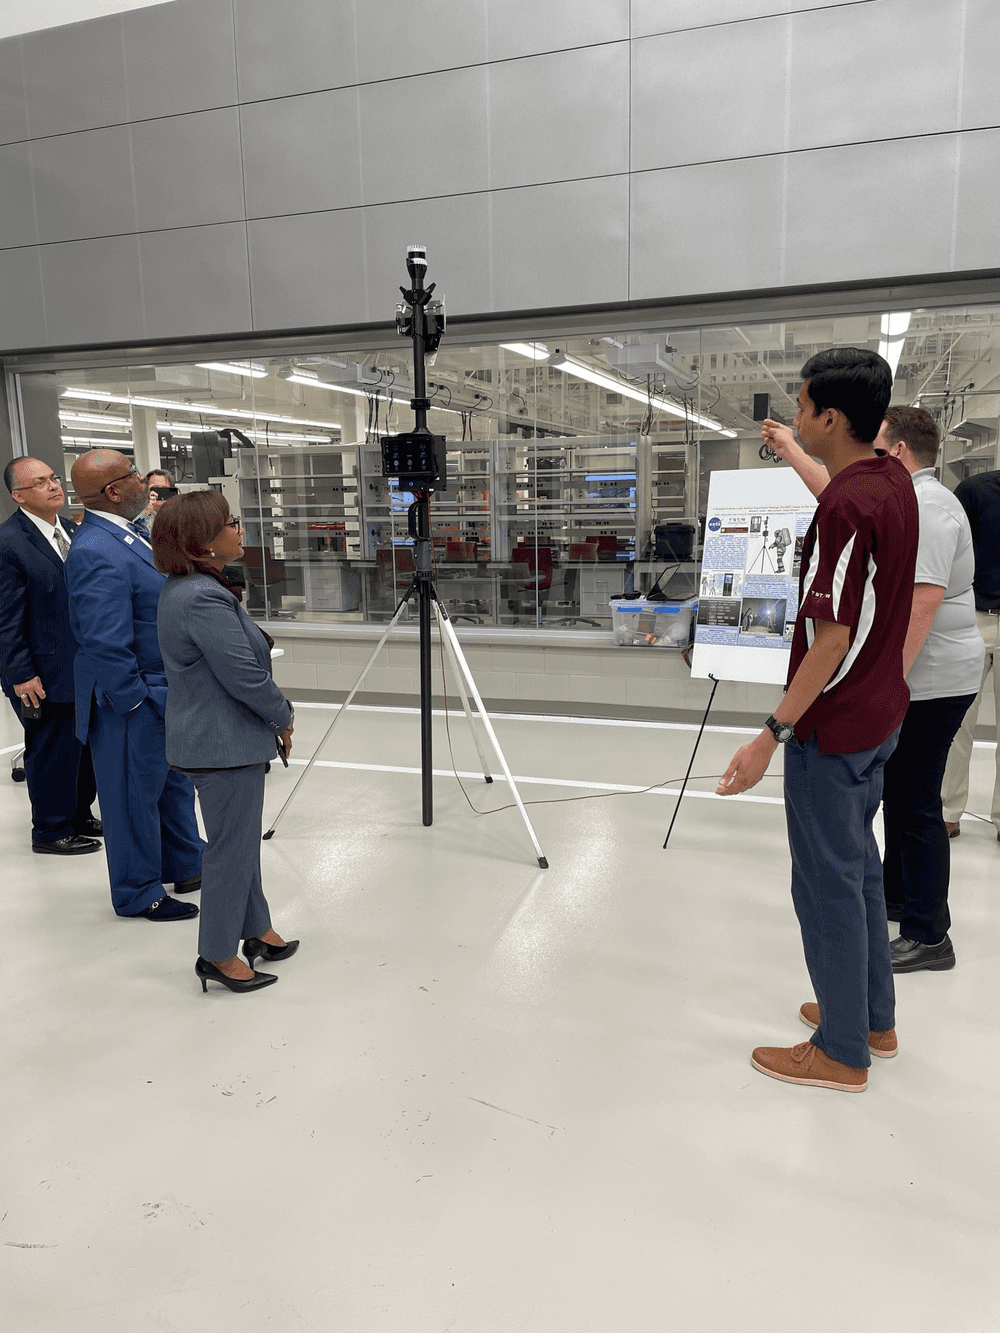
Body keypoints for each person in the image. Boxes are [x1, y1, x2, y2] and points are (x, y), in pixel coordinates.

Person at [719, 347, 918, 1093]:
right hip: (879, 715)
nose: (797, 418)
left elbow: (830, 637)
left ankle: (840, 1051)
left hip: (831, 730)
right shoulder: (890, 479)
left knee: (826, 884)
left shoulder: (845, 506)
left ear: (831, 415)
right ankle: (870, 1015)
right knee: (859, 870)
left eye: (803, 410)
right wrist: (794, 451)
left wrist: (771, 733)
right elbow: (839, 498)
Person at [767, 407, 983, 973]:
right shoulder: (900, 494)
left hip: (930, 680)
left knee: (916, 803)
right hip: (915, 677)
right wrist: (792, 449)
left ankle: (928, 933)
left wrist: (881, 686)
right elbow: (839, 494)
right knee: (896, 797)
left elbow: (922, 603)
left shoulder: (930, 509)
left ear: (899, 453)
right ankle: (894, 900)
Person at [153, 492, 296, 994]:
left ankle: (257, 931)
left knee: (238, 844)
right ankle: (216, 953)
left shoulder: (192, 588)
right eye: (230, 523)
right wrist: (283, 714)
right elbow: (244, 676)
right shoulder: (201, 598)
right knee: (229, 851)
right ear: (201, 544)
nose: (239, 529)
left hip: (221, 740)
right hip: (222, 744)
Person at [65, 450, 204, 921]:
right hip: (129, 699)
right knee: (130, 797)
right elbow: (103, 640)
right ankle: (138, 890)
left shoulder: (131, 536)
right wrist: (135, 701)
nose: (145, 481)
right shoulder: (95, 550)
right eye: (134, 474)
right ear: (113, 490)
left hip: (165, 689)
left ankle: (185, 862)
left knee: (172, 786)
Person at [0, 459, 101, 854]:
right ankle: (51, 829)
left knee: (83, 745)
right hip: (39, 670)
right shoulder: (9, 542)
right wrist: (21, 673)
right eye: (40, 482)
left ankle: (79, 814)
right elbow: (5, 618)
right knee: (51, 748)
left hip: (80, 664)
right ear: (18, 495)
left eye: (54, 478)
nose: (53, 486)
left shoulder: (73, 531)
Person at [940, 467, 1000, 841]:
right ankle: (947, 810)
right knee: (958, 721)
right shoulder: (974, 491)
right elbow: (951, 551)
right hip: (974, 619)